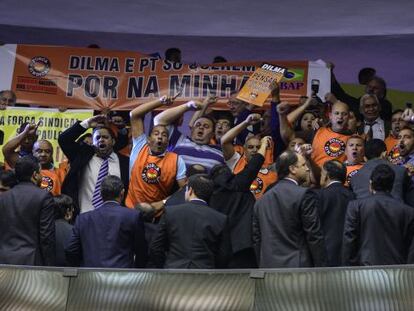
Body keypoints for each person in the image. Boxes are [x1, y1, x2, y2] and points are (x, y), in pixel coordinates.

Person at [253, 150, 326, 268]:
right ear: (292, 169)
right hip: (297, 268)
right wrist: (322, 268)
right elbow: (314, 235)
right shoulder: (304, 195)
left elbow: (257, 240)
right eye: (303, 165)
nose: (307, 169)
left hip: (268, 268)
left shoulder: (260, 201)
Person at [209, 137, 271, 268]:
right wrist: (264, 145)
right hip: (243, 247)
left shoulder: (210, 195)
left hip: (218, 248)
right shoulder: (237, 185)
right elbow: (253, 166)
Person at [149, 174, 230, 268]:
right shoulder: (220, 219)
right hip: (205, 275)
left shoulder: (171, 212)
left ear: (190, 190)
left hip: (173, 272)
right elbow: (225, 254)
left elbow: (155, 246)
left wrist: (165, 266)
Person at [65, 175, 147, 268]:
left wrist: (83, 268)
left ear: (100, 194)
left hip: (91, 277)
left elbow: (71, 249)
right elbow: (141, 251)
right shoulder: (133, 216)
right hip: (123, 277)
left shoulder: (83, 218)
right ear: (122, 193)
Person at [125, 96, 186, 215]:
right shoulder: (140, 145)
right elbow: (134, 115)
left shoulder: (176, 160)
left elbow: (184, 190)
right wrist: (161, 101)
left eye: (164, 135)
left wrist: (163, 202)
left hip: (158, 213)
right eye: (156, 133)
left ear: (167, 141)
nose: (160, 137)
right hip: (131, 209)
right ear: (148, 138)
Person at [343, 164, 414, 265]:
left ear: (371, 184)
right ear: (392, 185)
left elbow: (349, 242)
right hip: (397, 273)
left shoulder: (355, 207)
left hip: (364, 271)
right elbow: (411, 250)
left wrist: (349, 271)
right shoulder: (408, 212)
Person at [58, 115, 130, 215]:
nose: (101, 140)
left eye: (105, 137)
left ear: (113, 142)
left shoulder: (125, 162)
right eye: (97, 137)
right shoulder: (82, 156)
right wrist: (87, 124)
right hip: (84, 216)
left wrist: (122, 128)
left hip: (115, 218)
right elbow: (64, 140)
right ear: (92, 142)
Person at [0, 156, 55, 265]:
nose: (41, 176)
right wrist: (50, 266)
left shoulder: (4, 197)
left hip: (3, 260)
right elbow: (46, 237)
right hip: (31, 262)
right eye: (40, 173)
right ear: (34, 175)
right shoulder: (44, 197)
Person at [154, 98, 224, 171]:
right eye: (198, 125)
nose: (201, 127)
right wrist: (188, 106)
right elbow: (158, 120)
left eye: (206, 126)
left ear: (212, 134)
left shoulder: (221, 151)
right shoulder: (179, 140)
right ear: (192, 130)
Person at [221, 114, 276, 199]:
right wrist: (246, 123)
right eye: (250, 147)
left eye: (258, 147)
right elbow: (224, 141)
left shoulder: (272, 169)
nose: (255, 150)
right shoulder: (236, 162)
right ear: (244, 150)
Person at [312, 160, 354, 266]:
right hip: (350, 254)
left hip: (325, 254)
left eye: (321, 173)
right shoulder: (353, 196)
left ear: (326, 175)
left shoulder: (318, 196)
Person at [350, 139, 413, 205]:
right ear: (384, 154)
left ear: (365, 158)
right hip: (396, 213)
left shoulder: (354, 178)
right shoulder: (401, 171)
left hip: (365, 213)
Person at [54, 194, 74, 266]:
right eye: (72, 208)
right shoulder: (74, 230)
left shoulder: (45, 229)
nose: (73, 210)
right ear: (68, 211)